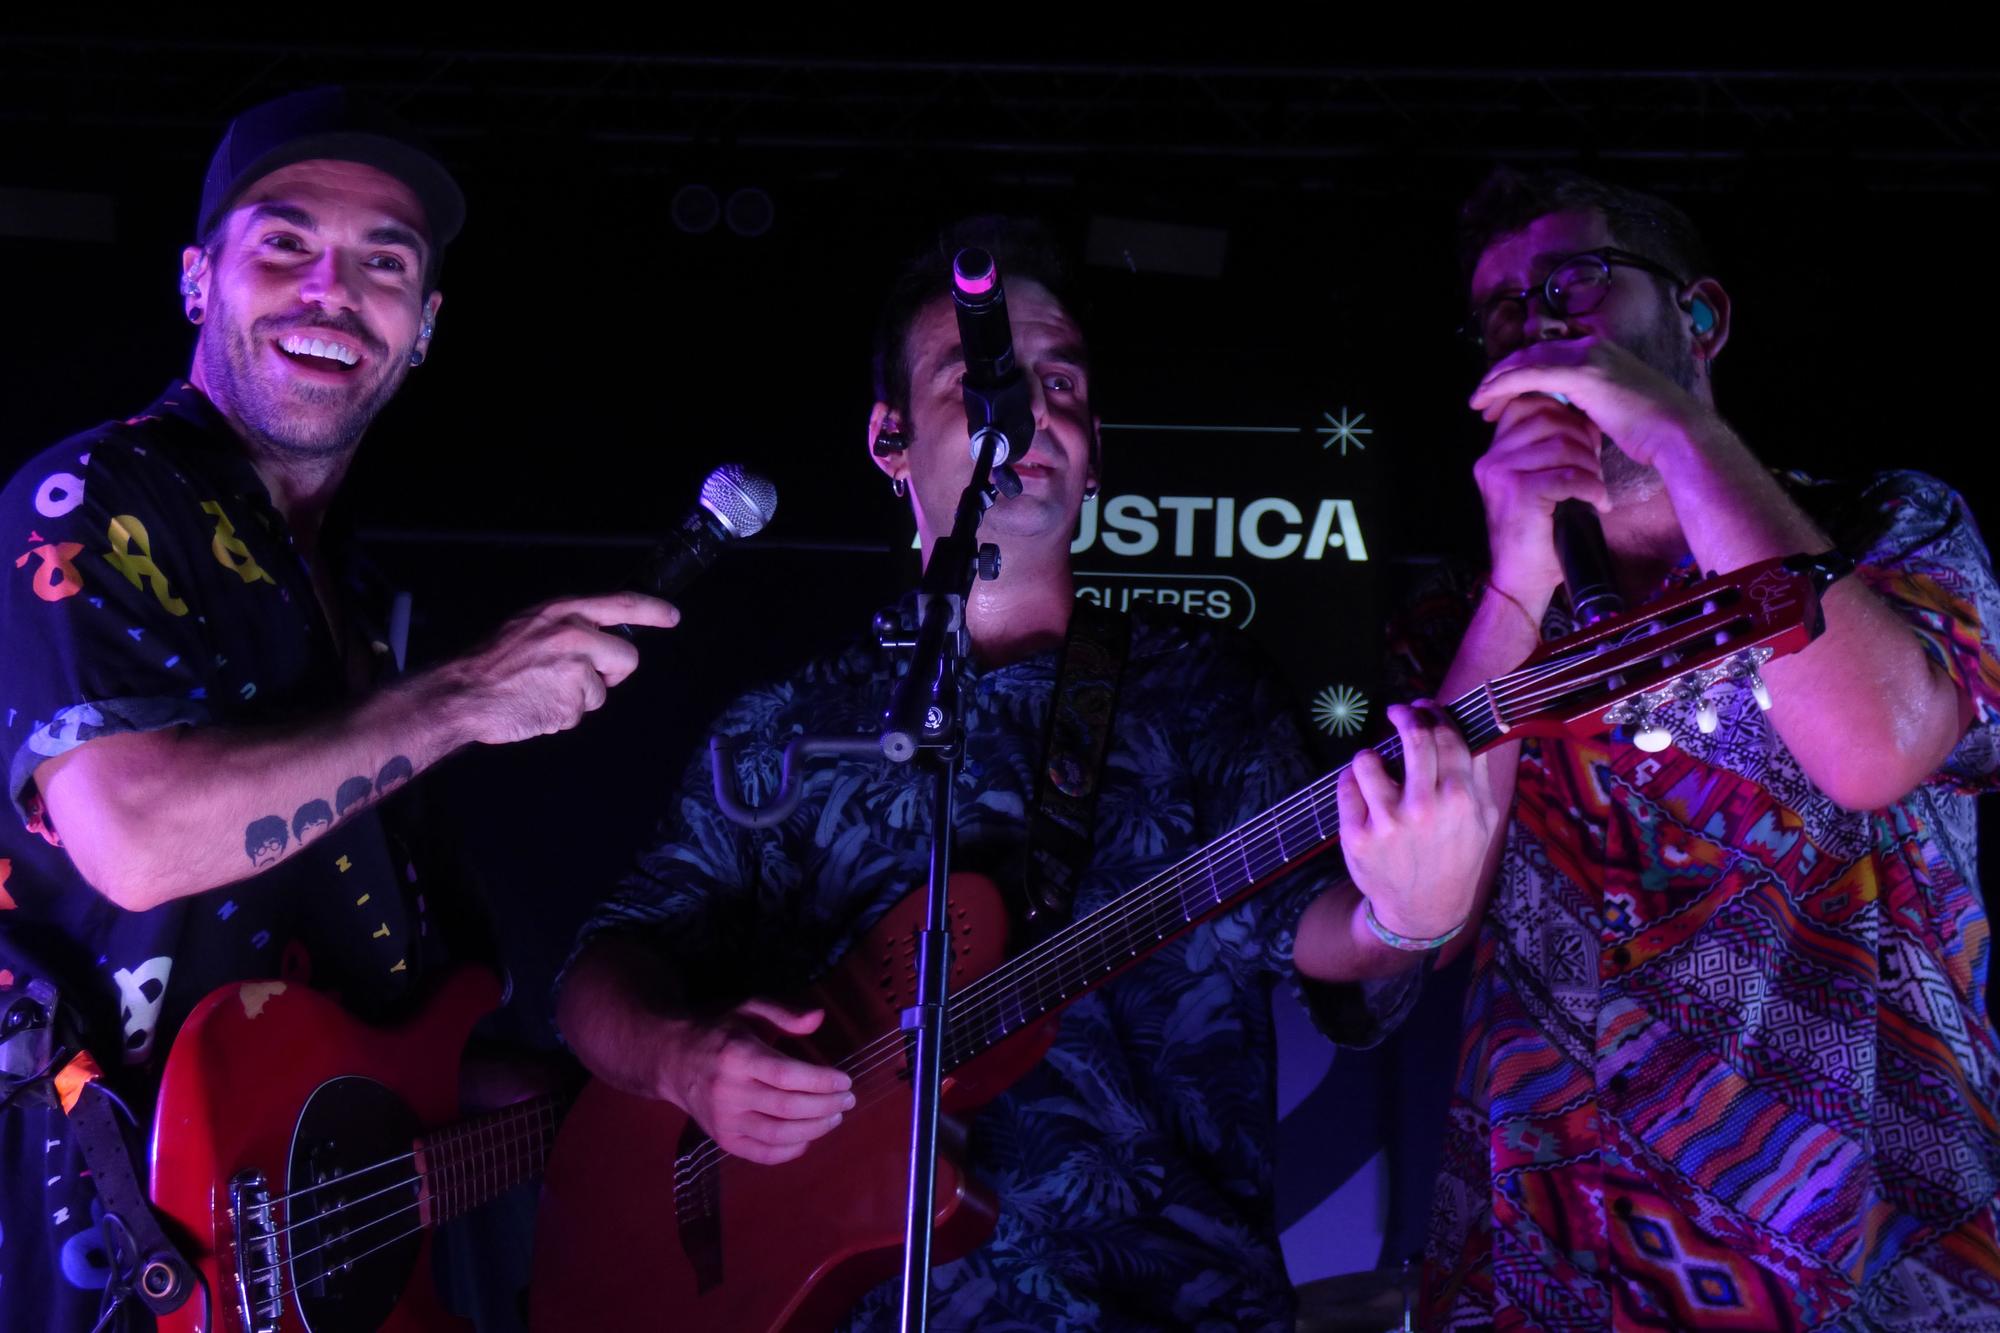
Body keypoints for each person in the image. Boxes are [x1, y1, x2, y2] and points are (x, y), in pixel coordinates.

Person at [554, 217, 1495, 1331]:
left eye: (1058, 381)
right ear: (887, 438)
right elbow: (595, 978)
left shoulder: (1198, 690)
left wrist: (1415, 911)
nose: (1029, 408)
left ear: (1094, 447)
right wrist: (680, 1057)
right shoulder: (787, 727)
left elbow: (1326, 931)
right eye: (980, 375)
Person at [0, 86, 674, 1331]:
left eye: (383, 264)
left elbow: (409, 1034)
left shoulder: (356, 609)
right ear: (200, 280)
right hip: (99, 1268)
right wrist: (466, 696)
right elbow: (137, 840)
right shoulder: (89, 497)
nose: (331, 289)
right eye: (285, 244)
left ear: (422, 328)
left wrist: (666, 1084)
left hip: (314, 1287)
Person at [1422, 167, 2000, 1329]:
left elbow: (1875, 747)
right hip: (1546, 1258)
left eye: (1571, 280)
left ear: (1700, 317)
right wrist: (1514, 576)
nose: (1534, 322)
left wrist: (1675, 430)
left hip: (1855, 1251)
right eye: (1498, 309)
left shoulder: (1891, 525)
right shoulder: (1469, 613)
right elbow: (1416, 918)